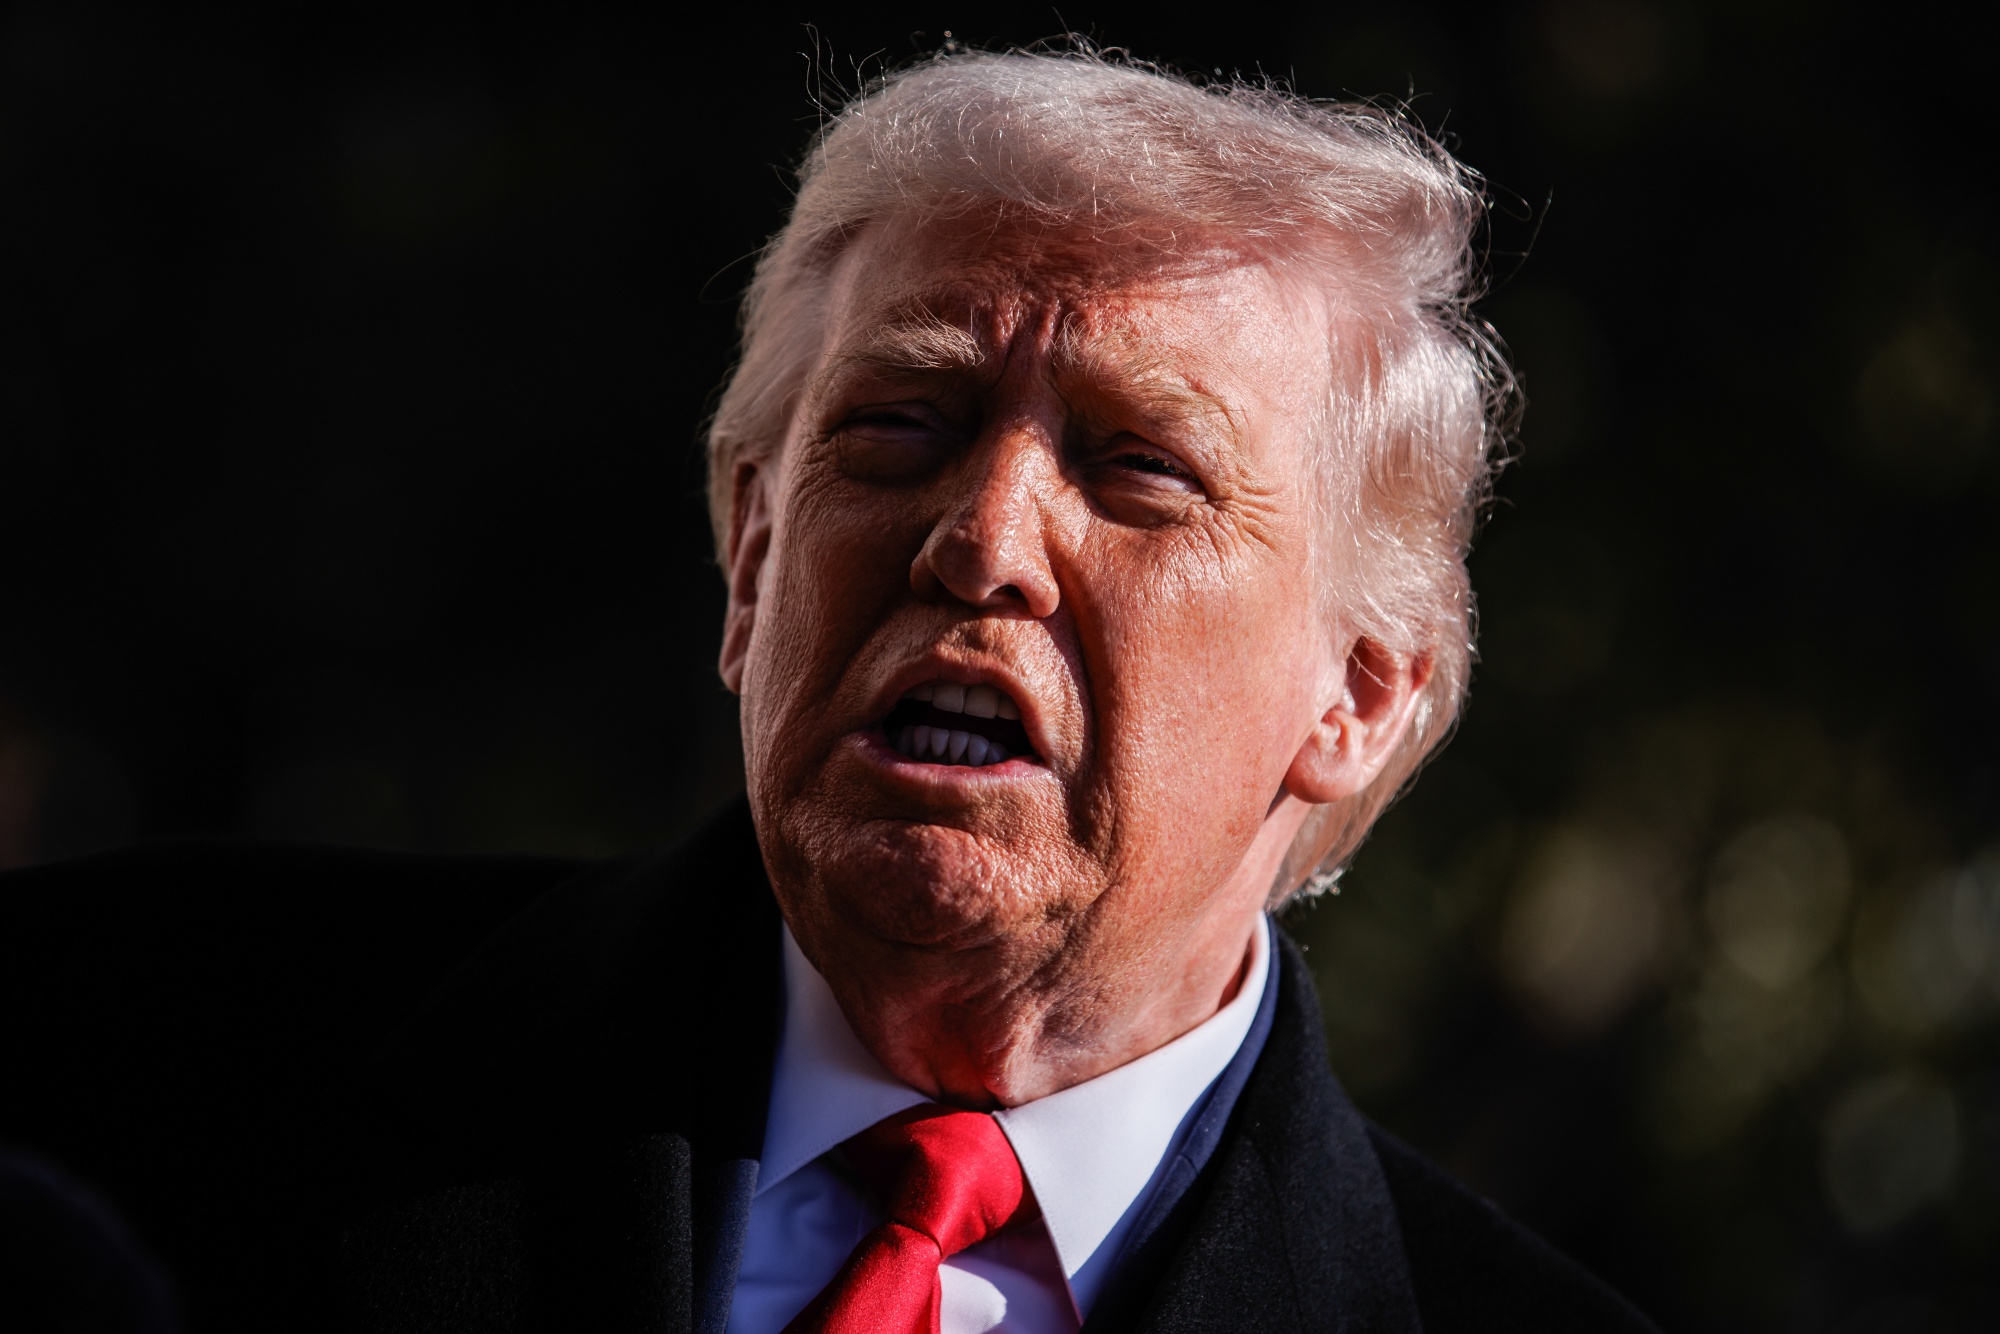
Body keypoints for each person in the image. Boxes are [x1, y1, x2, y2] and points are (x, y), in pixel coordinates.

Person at [0, 50, 1660, 1334]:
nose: (981, 540)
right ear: (750, 560)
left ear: (1356, 700)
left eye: (1140, 468)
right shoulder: (112, 1056)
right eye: (900, 427)